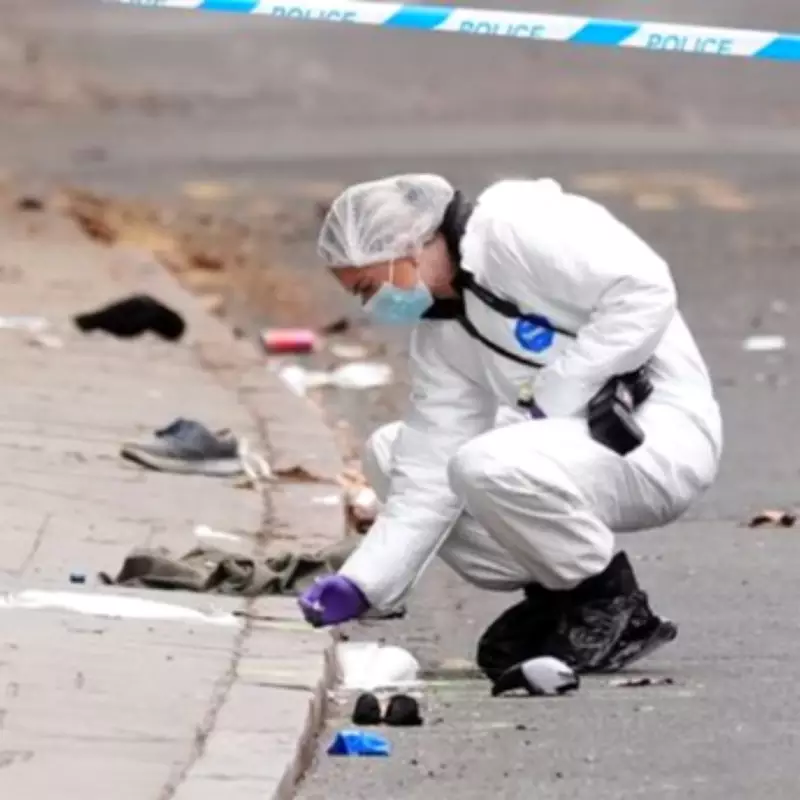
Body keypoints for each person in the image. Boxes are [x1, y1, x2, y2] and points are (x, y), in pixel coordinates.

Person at [298, 173, 722, 683]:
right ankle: (563, 594)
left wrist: (566, 386)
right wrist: (362, 584)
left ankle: (610, 602)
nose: (372, 305)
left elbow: (644, 289)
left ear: (407, 246)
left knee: (484, 463)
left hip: (656, 433)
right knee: (393, 452)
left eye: (369, 287)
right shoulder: (443, 332)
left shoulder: (519, 229)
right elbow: (426, 473)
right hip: (570, 442)